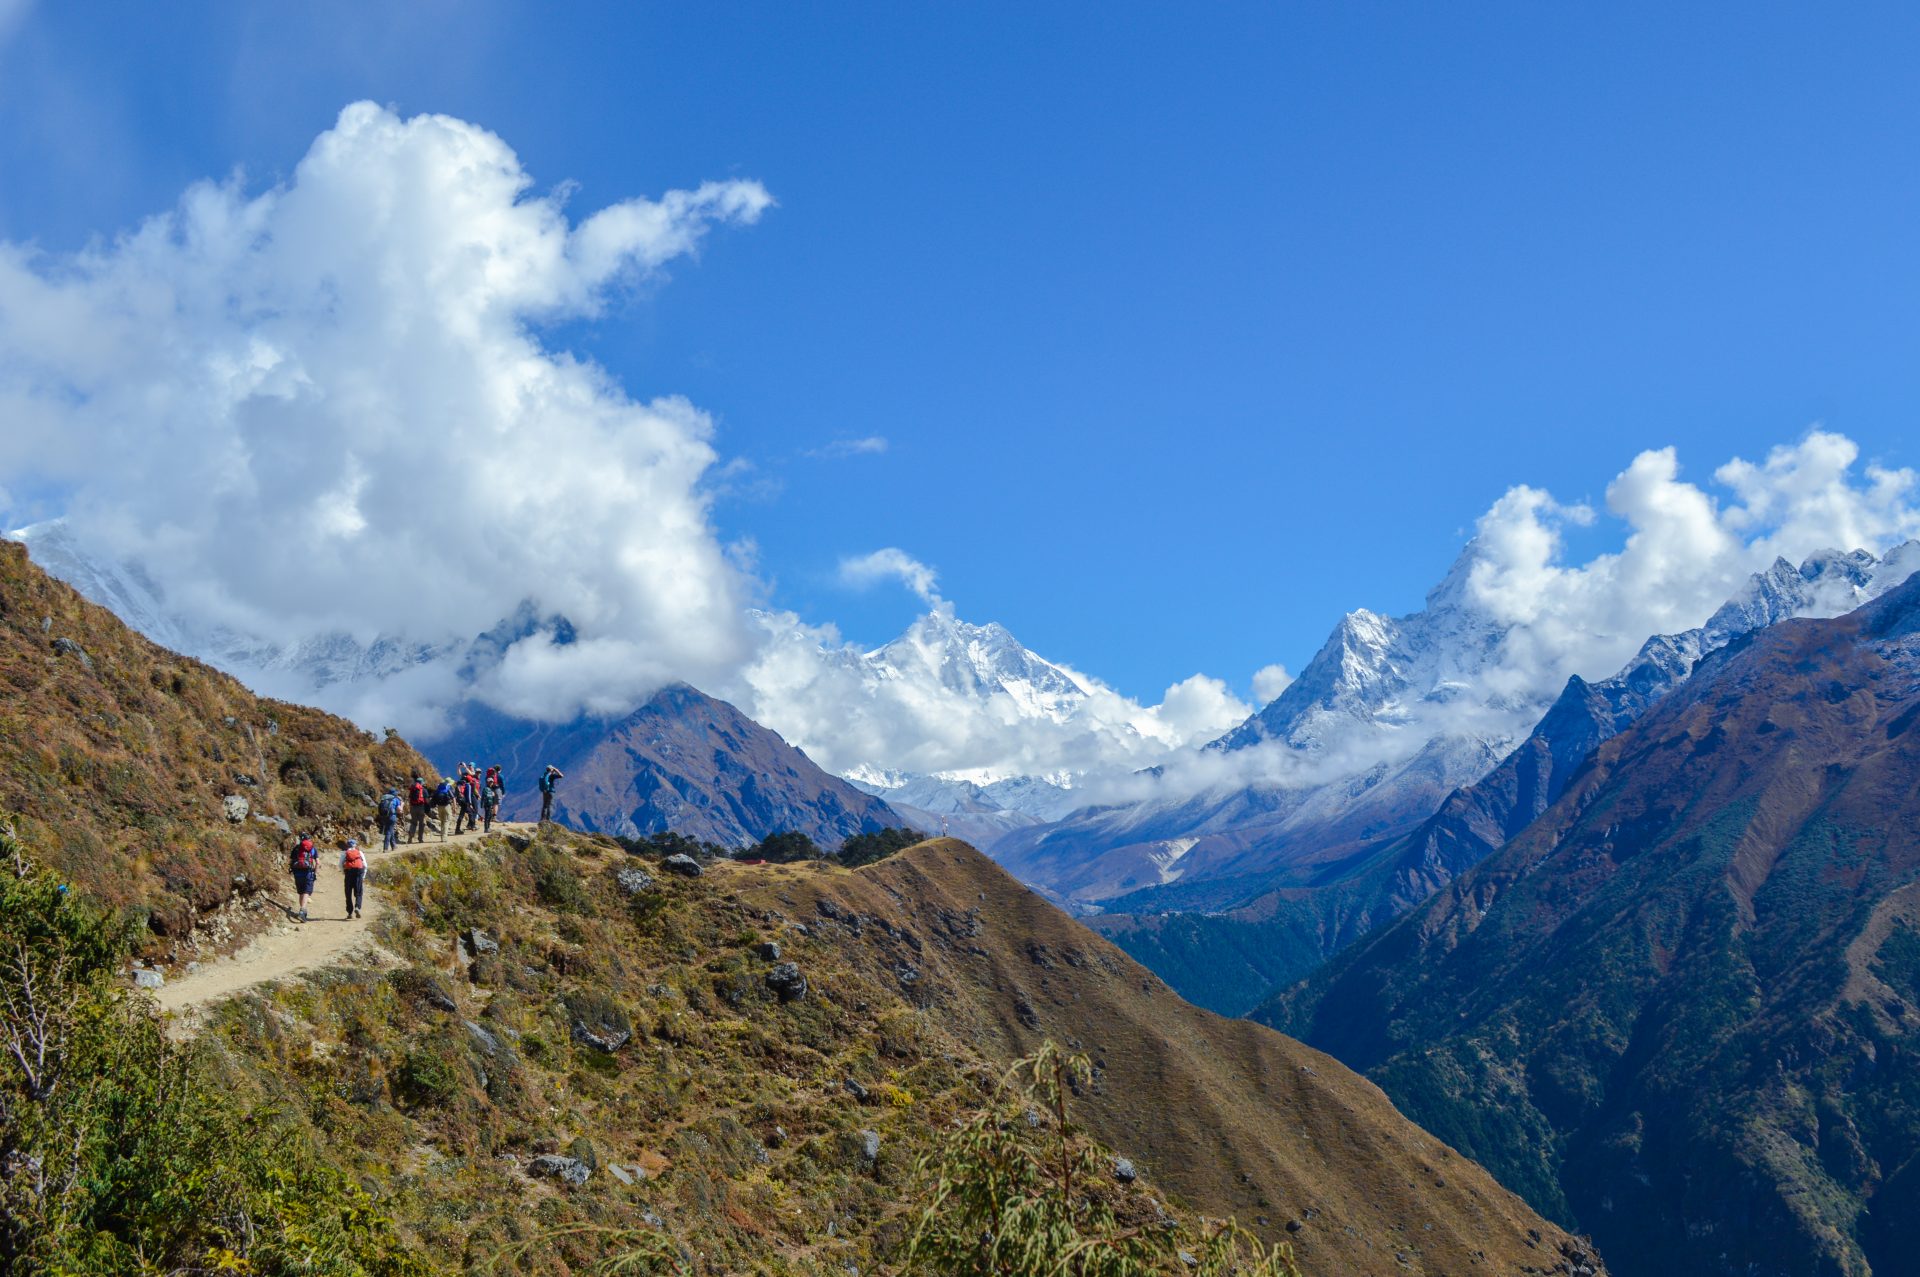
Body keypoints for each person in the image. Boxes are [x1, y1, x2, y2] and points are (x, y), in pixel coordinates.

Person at [289, 833, 319, 923]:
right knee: (306, 892)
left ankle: (303, 911)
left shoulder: (296, 848)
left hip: (297, 873)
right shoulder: (312, 848)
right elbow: (317, 862)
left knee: (301, 892)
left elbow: (290, 861)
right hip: (308, 872)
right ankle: (302, 910)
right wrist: (315, 873)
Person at [341, 838, 367, 919]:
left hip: (348, 873)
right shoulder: (359, 852)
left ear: (347, 845)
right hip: (358, 873)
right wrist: (363, 875)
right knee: (358, 892)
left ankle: (349, 912)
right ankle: (357, 907)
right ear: (355, 845)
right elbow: (365, 865)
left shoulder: (345, 853)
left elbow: (340, 864)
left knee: (348, 893)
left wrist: (344, 872)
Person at [454, 767, 478, 835]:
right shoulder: (468, 785)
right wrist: (470, 804)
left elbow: (456, 794)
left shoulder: (459, 784)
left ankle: (457, 829)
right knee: (471, 812)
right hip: (465, 801)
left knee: (461, 814)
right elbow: (468, 795)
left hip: (459, 800)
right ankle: (472, 826)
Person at [378, 787, 403, 852]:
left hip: (383, 816)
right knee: (388, 831)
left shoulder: (384, 797)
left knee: (390, 829)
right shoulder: (395, 799)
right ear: (394, 793)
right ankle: (385, 848)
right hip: (392, 816)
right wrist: (402, 805)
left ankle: (394, 846)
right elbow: (399, 810)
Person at [407, 775, 430, 844]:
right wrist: (428, 808)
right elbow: (426, 801)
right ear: (421, 782)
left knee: (413, 823)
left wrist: (410, 807)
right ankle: (420, 839)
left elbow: (409, 799)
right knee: (421, 823)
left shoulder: (412, 789)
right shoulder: (424, 790)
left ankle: (410, 838)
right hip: (421, 808)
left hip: (413, 808)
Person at [432, 775, 456, 840]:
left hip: (439, 807)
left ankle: (441, 836)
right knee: (447, 821)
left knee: (442, 821)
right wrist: (454, 808)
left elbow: (433, 796)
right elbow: (453, 798)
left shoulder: (439, 788)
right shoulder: (448, 788)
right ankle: (444, 837)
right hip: (446, 806)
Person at [482, 768, 502, 832]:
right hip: (487, 805)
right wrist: (482, 804)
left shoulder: (491, 790)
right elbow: (483, 797)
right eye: (490, 782)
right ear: (487, 782)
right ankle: (486, 828)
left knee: (489, 816)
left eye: (492, 782)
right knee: (487, 816)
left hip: (490, 805)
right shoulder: (486, 789)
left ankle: (488, 828)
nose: (491, 783)